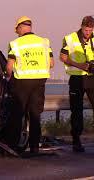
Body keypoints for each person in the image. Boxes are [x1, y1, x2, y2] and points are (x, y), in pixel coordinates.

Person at [5, 16, 54, 154]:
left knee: (17, 114)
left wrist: (8, 76)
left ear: (20, 27)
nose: (18, 33)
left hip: (21, 82)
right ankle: (34, 147)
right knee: (35, 114)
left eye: (17, 30)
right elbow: (51, 63)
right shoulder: (44, 42)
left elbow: (9, 67)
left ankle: (12, 146)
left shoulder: (15, 43)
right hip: (39, 81)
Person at [60, 16, 94, 152]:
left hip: (92, 78)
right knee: (76, 111)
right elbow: (63, 57)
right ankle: (76, 141)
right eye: (86, 30)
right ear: (81, 27)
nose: (88, 33)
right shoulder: (70, 38)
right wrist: (80, 65)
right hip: (76, 78)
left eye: (90, 30)